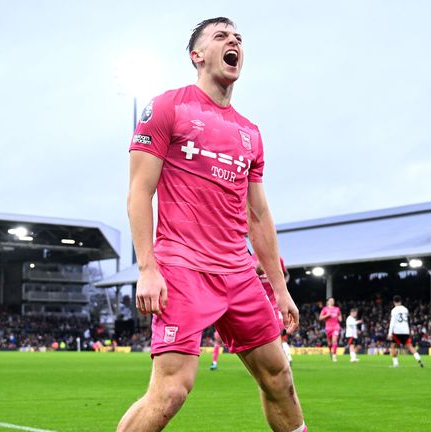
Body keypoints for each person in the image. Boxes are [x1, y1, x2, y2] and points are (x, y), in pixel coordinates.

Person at [117, 17, 305, 432]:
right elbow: (138, 193)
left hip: (239, 271)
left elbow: (258, 215)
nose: (233, 41)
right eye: (221, 36)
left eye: (237, 37)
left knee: (280, 378)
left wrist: (279, 287)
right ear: (197, 55)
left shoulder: (250, 133)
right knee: (170, 391)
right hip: (183, 267)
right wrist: (148, 269)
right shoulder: (168, 107)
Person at [257, 257, 293, 364]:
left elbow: (285, 275)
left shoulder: (276, 257)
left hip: (276, 305)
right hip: (260, 305)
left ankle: (286, 358)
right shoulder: (250, 258)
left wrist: (281, 284)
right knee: (264, 336)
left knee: (280, 335)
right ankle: (272, 359)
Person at [387, 295, 424, 368]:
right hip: (405, 330)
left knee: (393, 346)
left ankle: (396, 364)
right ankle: (419, 359)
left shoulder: (394, 310)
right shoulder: (405, 309)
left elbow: (392, 322)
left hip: (397, 331)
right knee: (410, 347)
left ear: (394, 302)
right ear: (401, 301)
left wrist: (389, 333)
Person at [319, 297, 342, 362]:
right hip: (328, 328)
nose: (332, 301)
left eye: (333, 300)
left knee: (334, 340)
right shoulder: (325, 309)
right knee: (329, 343)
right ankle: (330, 351)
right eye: (331, 300)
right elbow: (320, 318)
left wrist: (340, 318)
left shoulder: (337, 309)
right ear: (328, 302)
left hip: (336, 326)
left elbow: (340, 315)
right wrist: (327, 315)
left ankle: (334, 355)